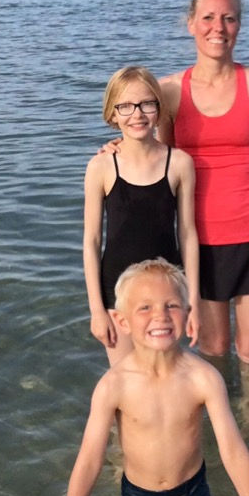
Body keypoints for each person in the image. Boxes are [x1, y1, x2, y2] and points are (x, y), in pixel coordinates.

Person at [62, 258, 249, 496]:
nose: (161, 316)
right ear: (122, 321)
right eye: (145, 308)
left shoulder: (203, 378)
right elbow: (90, 459)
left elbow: (233, 451)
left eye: (171, 305)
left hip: (191, 494)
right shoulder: (113, 385)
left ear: (188, 312)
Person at [156, 0, 249, 367]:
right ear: (191, 24)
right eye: (208, 18)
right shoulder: (169, 91)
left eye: (229, 18)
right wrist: (116, 149)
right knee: (213, 347)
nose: (218, 27)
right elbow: (160, 161)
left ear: (239, 26)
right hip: (198, 239)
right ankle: (216, 406)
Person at [83, 66, 200, 365]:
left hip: (168, 294)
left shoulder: (179, 163)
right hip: (116, 293)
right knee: (125, 378)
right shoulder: (101, 167)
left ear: (159, 109)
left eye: (147, 104)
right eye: (125, 106)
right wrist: (97, 309)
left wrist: (192, 300)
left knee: (165, 375)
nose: (137, 114)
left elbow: (188, 234)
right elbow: (92, 241)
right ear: (112, 113)